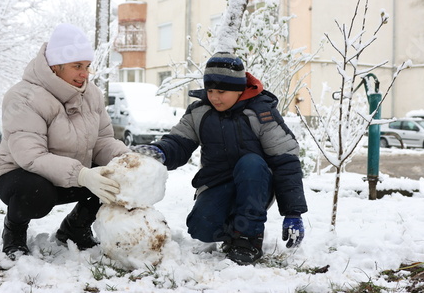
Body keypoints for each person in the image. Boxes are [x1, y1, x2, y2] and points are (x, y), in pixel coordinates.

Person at [132, 52, 308, 265]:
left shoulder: (261, 113)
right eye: (210, 90)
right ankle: (234, 231)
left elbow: (286, 159)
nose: (214, 97)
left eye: (221, 91)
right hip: (217, 182)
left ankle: (248, 238)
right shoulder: (200, 111)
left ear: (238, 89)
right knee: (201, 228)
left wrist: (293, 212)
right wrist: (161, 151)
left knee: (250, 163)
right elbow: (179, 140)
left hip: (257, 182)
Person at [0, 23, 129, 260]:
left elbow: (102, 140)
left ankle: (75, 229)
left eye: (87, 66)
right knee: (36, 193)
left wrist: (126, 159)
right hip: (21, 176)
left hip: (72, 173)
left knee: (116, 177)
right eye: (77, 66)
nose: (84, 73)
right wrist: (83, 175)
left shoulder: (92, 94)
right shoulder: (23, 97)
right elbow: (32, 157)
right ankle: (14, 231)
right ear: (56, 66)